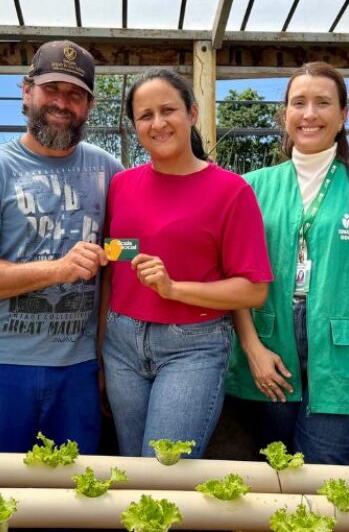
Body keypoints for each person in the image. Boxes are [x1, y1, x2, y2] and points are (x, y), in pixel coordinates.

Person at [226, 62, 349, 464]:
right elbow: (236, 275)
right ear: (285, 114)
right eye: (299, 103)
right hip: (270, 347)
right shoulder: (250, 188)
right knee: (274, 476)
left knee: (327, 478)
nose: (310, 114)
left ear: (343, 116)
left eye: (323, 103)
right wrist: (251, 347)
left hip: (346, 349)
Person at [0, 40, 122, 454]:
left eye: (75, 94)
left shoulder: (109, 171)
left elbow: (118, 268)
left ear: (89, 106)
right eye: (52, 90)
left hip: (78, 368)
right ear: (27, 91)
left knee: (76, 501)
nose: (62, 103)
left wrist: (104, 361)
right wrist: (59, 269)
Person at [101, 68, 272, 457]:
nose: (158, 123)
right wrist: (104, 255)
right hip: (121, 343)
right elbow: (123, 253)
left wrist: (174, 288)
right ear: (134, 126)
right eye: (145, 116)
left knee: (164, 470)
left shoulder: (231, 191)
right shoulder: (122, 185)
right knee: (134, 467)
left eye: (168, 110)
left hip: (192, 346)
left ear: (191, 114)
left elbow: (253, 289)